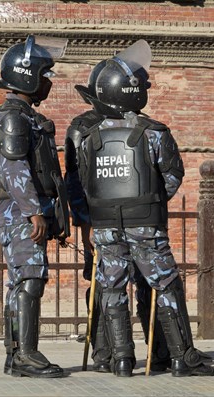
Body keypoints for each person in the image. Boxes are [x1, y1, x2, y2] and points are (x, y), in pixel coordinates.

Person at [75, 40, 214, 377]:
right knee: (166, 285)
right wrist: (149, 202)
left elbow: (84, 184)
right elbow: (172, 175)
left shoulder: (88, 137)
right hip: (145, 224)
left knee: (111, 287)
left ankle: (122, 360)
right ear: (133, 93)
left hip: (106, 226)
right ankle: (183, 357)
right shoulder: (153, 133)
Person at [64, 60, 171, 374]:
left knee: (147, 283)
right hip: (100, 221)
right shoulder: (82, 128)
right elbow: (75, 180)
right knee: (104, 284)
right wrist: (86, 222)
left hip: (133, 220)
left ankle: (159, 352)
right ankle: (106, 353)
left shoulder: (140, 125)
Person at [0, 35, 70, 378]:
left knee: (22, 282)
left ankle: (16, 354)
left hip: (26, 212)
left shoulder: (25, 116)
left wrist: (55, 217)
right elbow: (13, 167)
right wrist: (34, 210)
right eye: (44, 74)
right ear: (27, 76)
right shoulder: (12, 118)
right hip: (20, 214)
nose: (48, 82)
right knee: (30, 281)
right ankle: (26, 354)